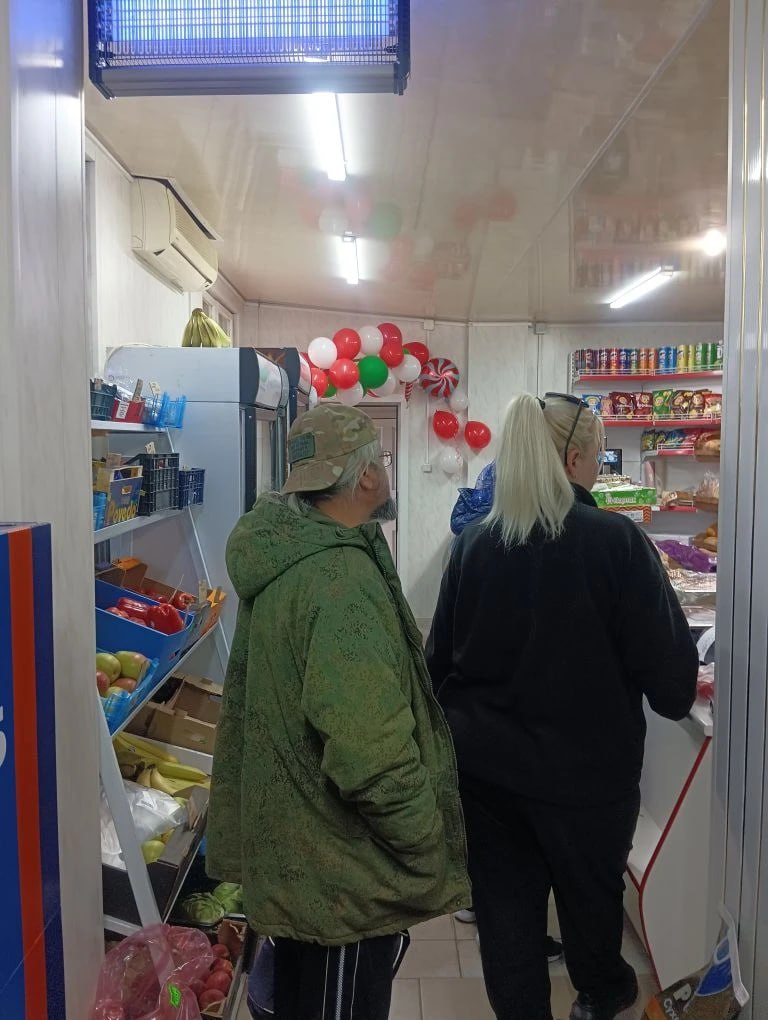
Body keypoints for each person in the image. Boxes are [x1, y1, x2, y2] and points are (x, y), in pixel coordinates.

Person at [426, 393, 698, 1020]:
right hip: (589, 781)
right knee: (591, 912)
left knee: (507, 929)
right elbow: (673, 687)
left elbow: (436, 670)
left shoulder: (474, 544)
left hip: (487, 780)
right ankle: (600, 998)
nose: (599, 468)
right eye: (598, 456)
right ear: (574, 459)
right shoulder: (616, 542)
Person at [207, 402, 470, 1020]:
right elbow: (369, 749)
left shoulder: (290, 553)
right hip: (341, 881)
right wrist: (424, 839)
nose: (386, 473)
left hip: (299, 862)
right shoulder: (339, 580)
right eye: (381, 462)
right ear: (366, 477)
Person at [448, 461, 565, 967]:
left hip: (480, 732)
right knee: (526, 850)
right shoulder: (563, 543)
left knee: (493, 845)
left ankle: (481, 908)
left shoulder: (473, 541)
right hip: (531, 737)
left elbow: (442, 649)